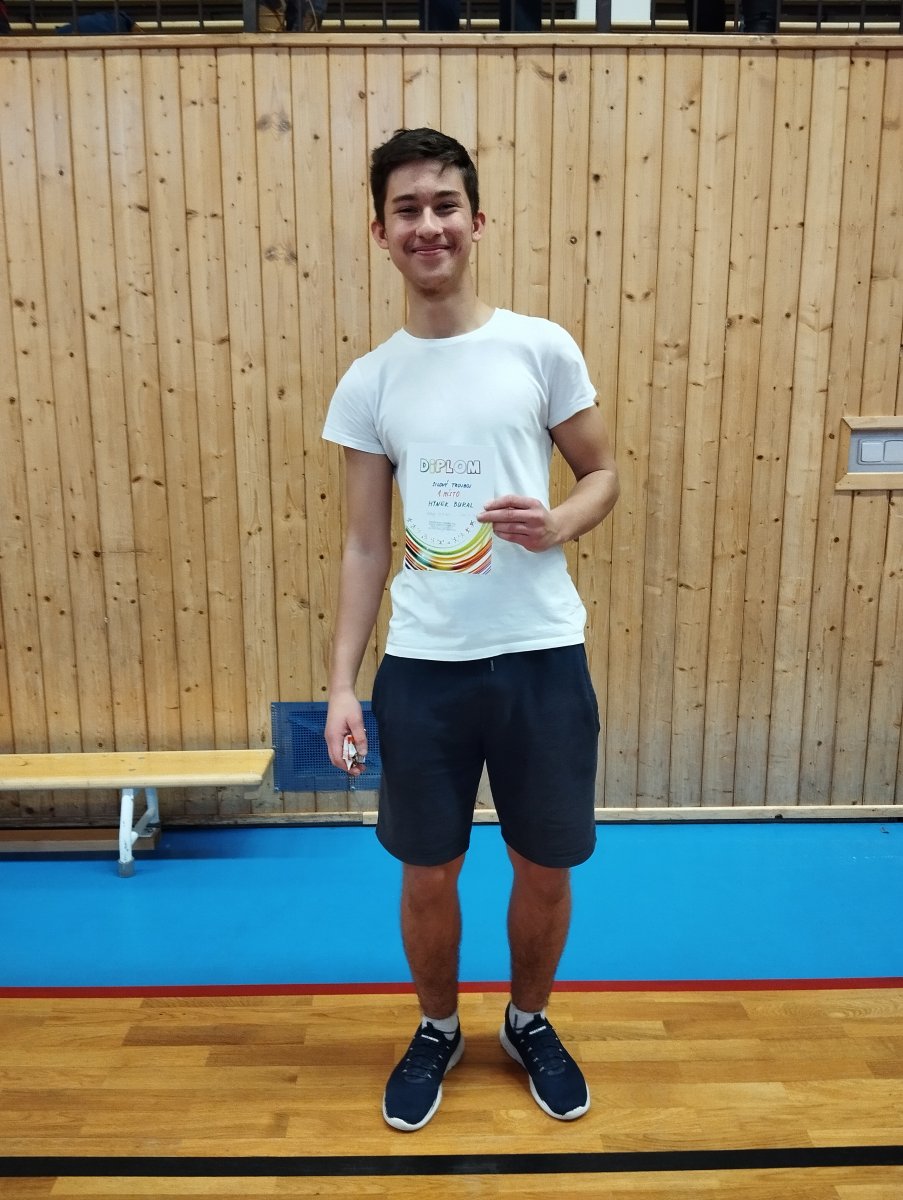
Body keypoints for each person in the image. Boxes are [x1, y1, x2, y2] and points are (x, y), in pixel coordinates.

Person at [322, 127, 619, 1133]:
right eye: (406, 209)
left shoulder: (541, 347)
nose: (428, 225)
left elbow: (602, 472)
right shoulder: (370, 382)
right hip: (425, 670)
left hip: (542, 659)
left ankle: (528, 1021)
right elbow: (365, 546)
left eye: (444, 205)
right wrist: (342, 685)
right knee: (428, 870)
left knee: (545, 865)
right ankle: (438, 1027)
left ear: (476, 220)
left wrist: (561, 521)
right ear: (381, 232)